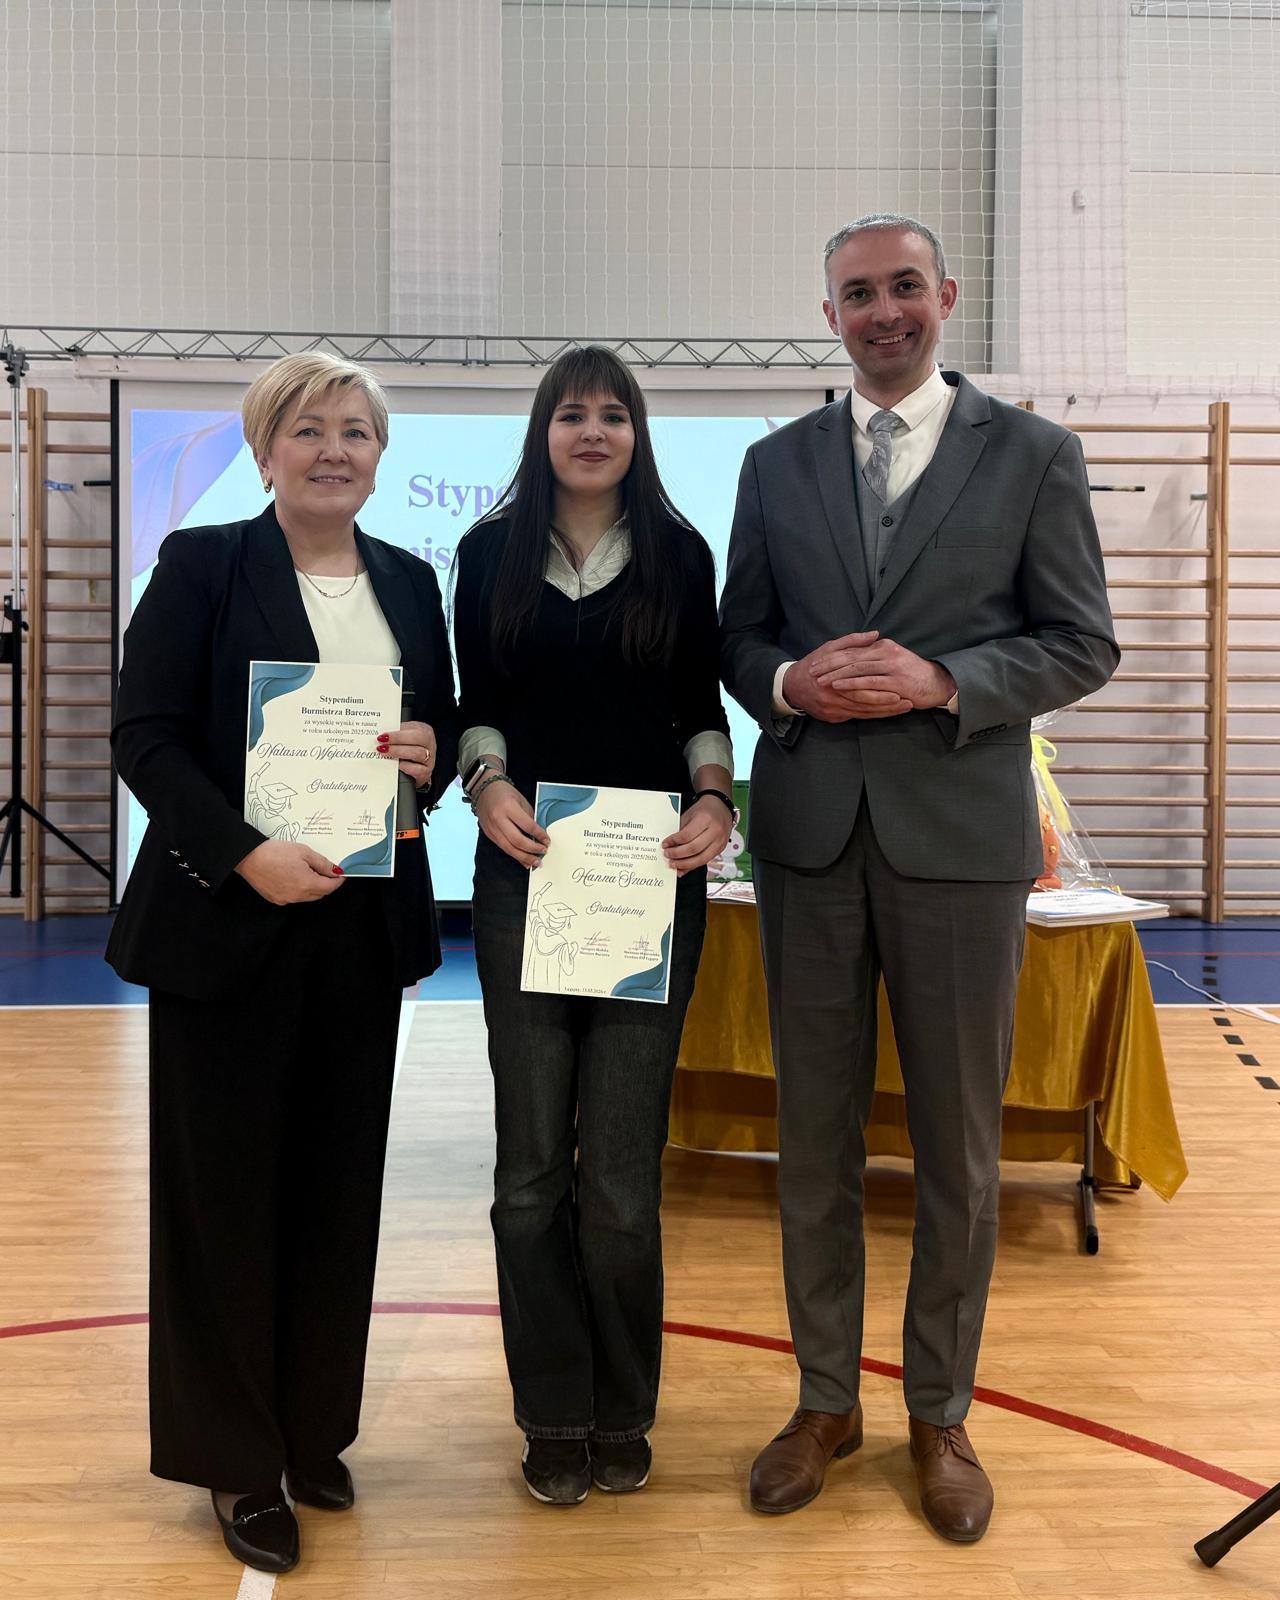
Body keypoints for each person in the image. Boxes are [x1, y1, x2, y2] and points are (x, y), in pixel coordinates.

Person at [719, 214, 1118, 1541]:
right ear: (826, 313)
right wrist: (788, 680)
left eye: (903, 287)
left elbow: (1080, 642)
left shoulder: (1035, 454)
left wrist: (948, 680)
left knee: (956, 1145)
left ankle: (939, 1412)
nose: (882, 310)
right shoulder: (774, 463)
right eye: (856, 293)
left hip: (959, 840)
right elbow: (739, 634)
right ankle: (823, 1400)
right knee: (814, 1140)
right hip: (810, 839)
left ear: (944, 295)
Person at [107, 352, 457, 1574]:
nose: (332, 450)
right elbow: (146, 736)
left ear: (379, 455)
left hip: (360, 929)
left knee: (335, 1192)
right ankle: (234, 1457)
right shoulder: (203, 564)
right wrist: (242, 852)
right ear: (265, 452)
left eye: (354, 431)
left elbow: (431, 734)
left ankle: (313, 1430)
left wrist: (427, 756)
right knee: (222, 1202)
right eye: (306, 429)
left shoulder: (410, 580)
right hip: (227, 925)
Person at [451, 346, 734, 1506]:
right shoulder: (487, 551)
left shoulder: (679, 553)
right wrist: (485, 785)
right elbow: (478, 706)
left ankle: (622, 1407)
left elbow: (697, 706)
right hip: (523, 880)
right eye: (571, 413)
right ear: (542, 430)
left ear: (635, 434)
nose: (591, 431)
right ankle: (551, 1410)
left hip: (644, 886)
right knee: (529, 1175)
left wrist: (716, 798)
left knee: (617, 1180)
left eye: (613, 414)